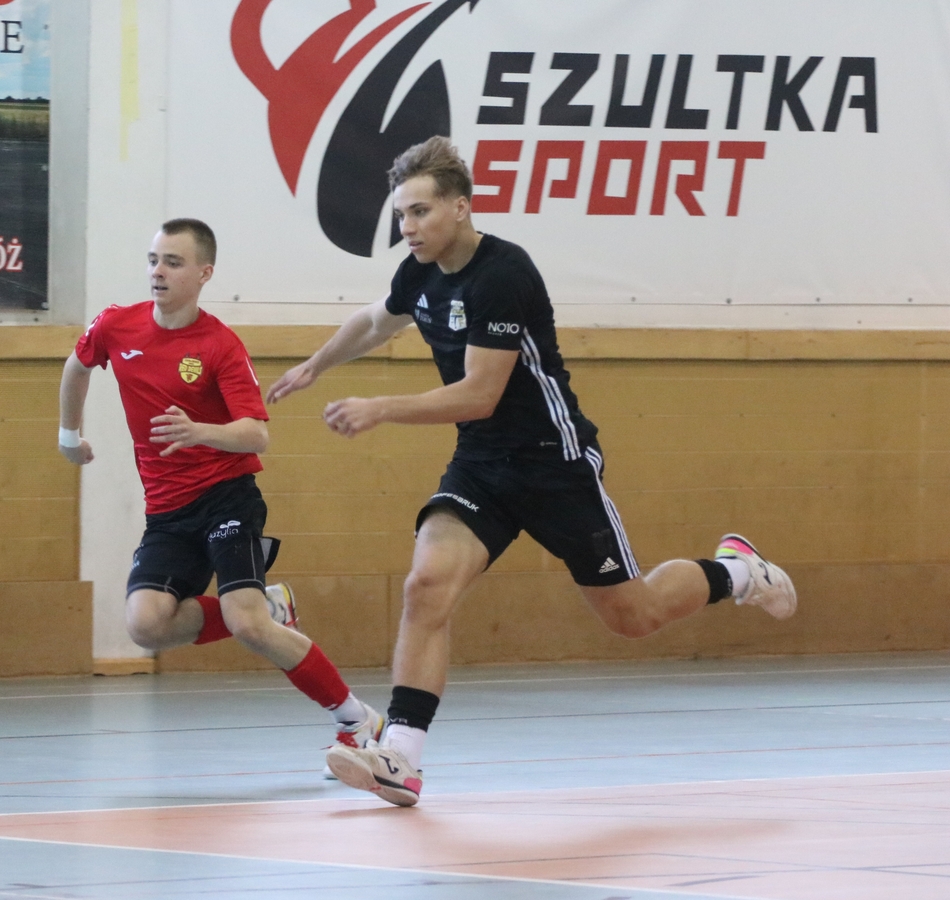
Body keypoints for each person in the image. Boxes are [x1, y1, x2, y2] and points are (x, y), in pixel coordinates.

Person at [266, 137, 796, 807]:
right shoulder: (419, 270)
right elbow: (377, 319)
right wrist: (315, 365)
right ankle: (400, 755)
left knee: (633, 615)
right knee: (426, 586)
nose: (408, 228)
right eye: (401, 215)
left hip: (554, 465)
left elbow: (479, 394)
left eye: (420, 212)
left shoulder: (503, 274)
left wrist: (381, 407)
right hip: (482, 465)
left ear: (461, 207)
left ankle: (737, 570)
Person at [59, 217, 383, 762]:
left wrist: (199, 431)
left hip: (227, 497)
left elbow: (256, 433)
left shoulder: (219, 345)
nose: (158, 272)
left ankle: (356, 720)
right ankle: (271, 604)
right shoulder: (117, 325)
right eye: (154, 260)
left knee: (246, 624)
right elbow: (77, 367)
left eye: (173, 262)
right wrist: (69, 436)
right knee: (146, 625)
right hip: (167, 511)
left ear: (204, 274)